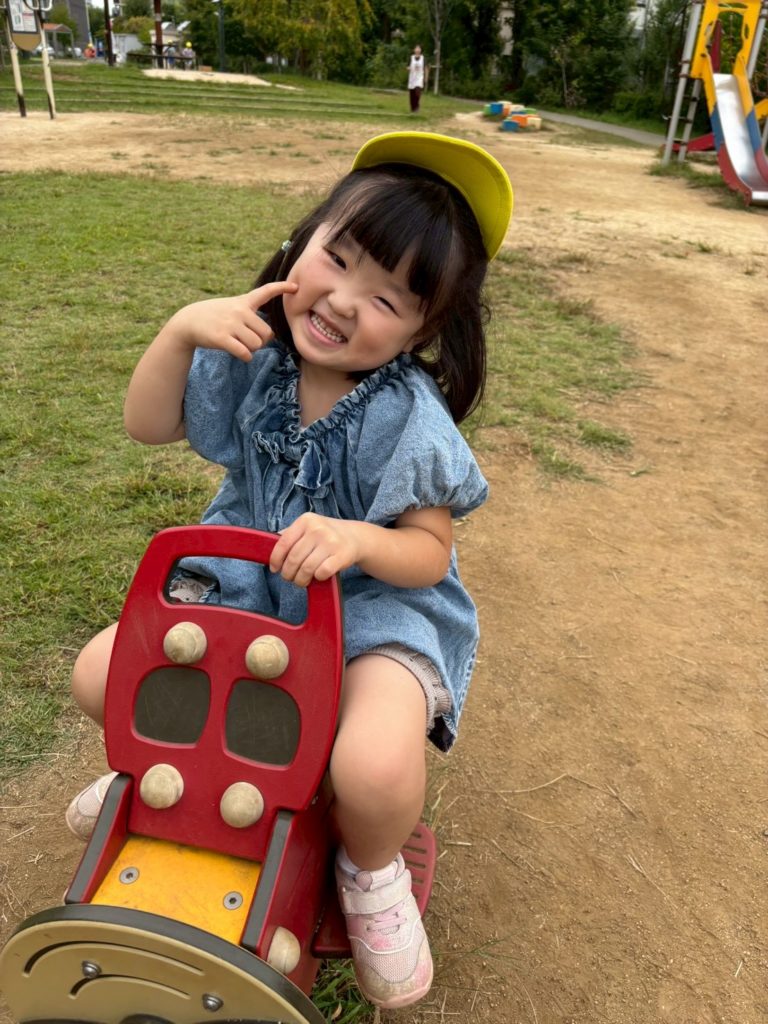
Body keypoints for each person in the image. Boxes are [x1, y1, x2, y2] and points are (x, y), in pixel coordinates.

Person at [65, 131, 513, 1010]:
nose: (342, 300)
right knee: (99, 675)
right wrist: (180, 329)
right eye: (336, 259)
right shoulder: (255, 360)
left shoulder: (407, 416)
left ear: (426, 329)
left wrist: (359, 540)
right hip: (243, 583)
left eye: (385, 298)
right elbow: (146, 424)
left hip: (373, 609)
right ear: (301, 242)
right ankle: (165, 787)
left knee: (372, 768)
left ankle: (370, 868)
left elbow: (428, 552)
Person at [407, 44, 426, 113]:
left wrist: (425, 78)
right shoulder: (411, 58)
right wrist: (408, 68)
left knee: (417, 91)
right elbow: (407, 66)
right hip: (412, 77)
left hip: (419, 77)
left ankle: (417, 106)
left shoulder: (423, 58)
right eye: (416, 48)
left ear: (420, 50)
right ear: (414, 50)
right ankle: (413, 108)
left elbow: (425, 67)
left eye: (419, 48)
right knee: (412, 93)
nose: (417, 50)